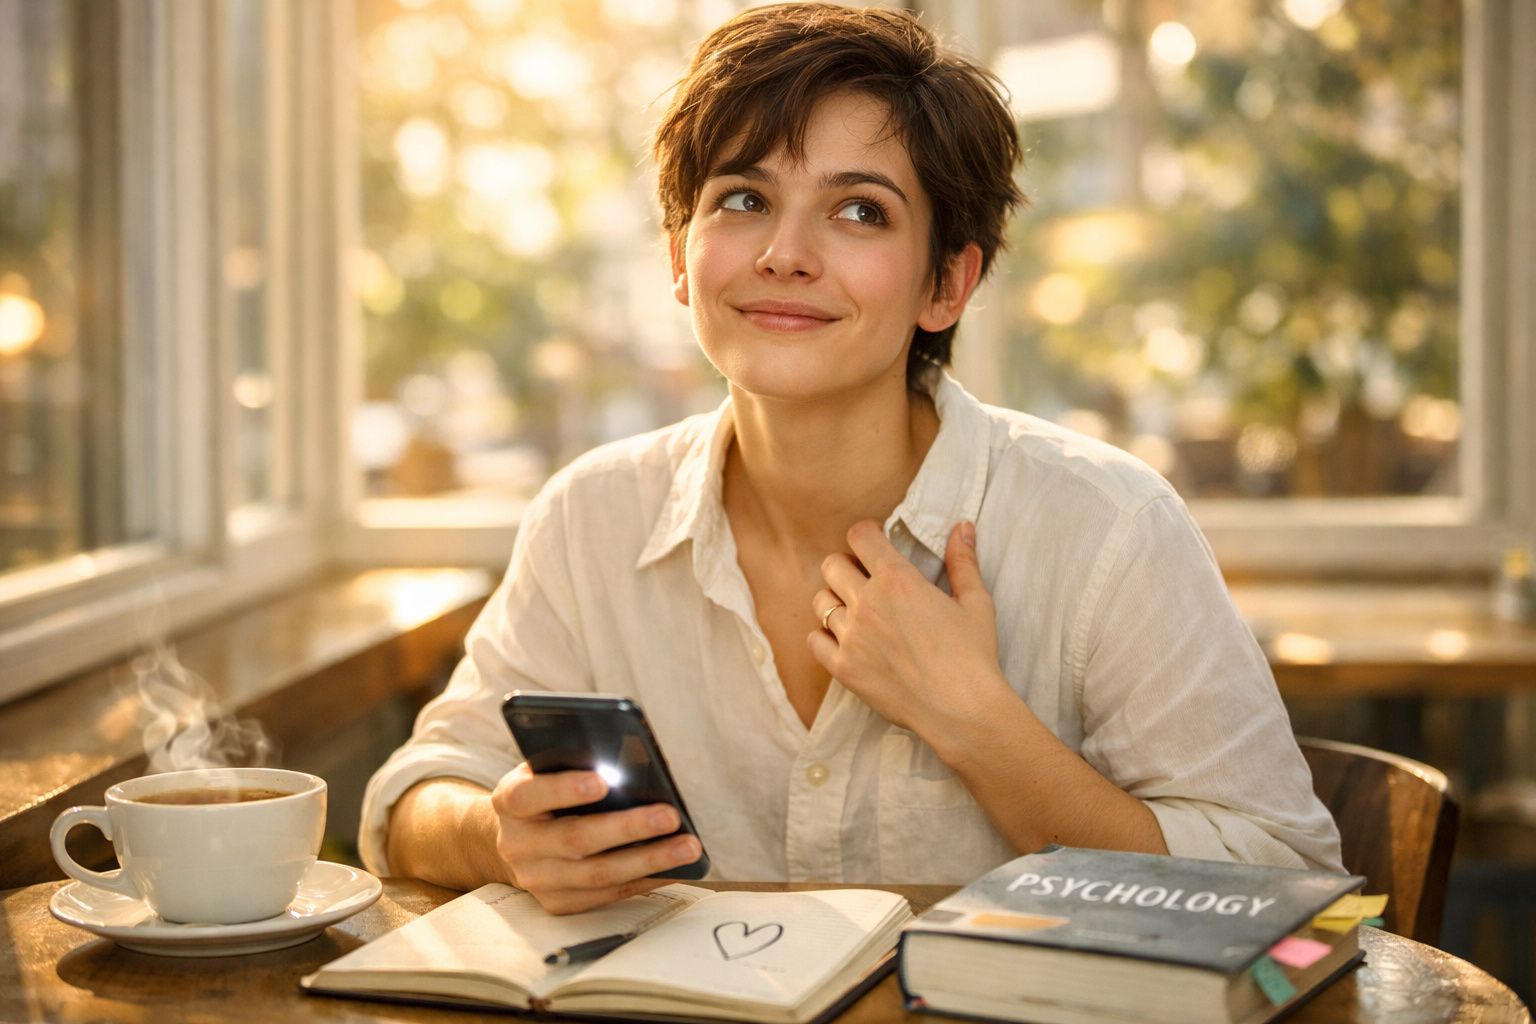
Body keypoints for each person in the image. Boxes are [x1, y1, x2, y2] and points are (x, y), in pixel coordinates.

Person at [361, 2, 1343, 913]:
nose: (784, 252)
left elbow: (1301, 890)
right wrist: (500, 834)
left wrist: (978, 724)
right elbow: (414, 798)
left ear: (948, 284)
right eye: (742, 199)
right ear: (677, 255)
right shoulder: (592, 516)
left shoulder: (1106, 526)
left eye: (859, 210)